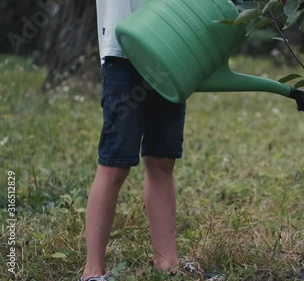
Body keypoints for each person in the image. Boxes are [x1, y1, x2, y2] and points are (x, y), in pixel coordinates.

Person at [80, 0, 186, 280]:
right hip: (122, 51)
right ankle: (92, 272)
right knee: (114, 164)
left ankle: (167, 264)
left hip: (172, 48)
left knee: (162, 159)